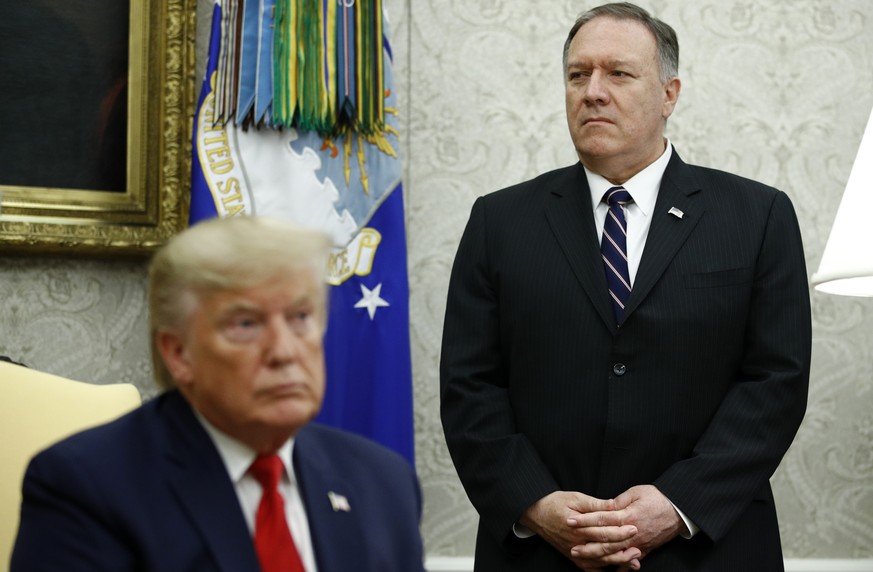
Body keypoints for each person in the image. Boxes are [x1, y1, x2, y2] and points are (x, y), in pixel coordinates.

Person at [439, 2, 811, 571]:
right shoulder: (500, 221)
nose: (592, 91)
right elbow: (470, 388)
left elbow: (775, 383)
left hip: (706, 547)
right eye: (577, 74)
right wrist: (535, 504)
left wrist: (680, 501)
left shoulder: (756, 216)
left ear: (669, 94)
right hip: (544, 553)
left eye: (618, 73)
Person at [11, 216, 425, 571]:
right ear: (178, 353)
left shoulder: (382, 482)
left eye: (300, 317)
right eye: (245, 324)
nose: (284, 351)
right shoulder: (88, 487)